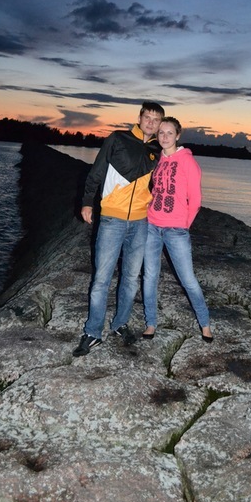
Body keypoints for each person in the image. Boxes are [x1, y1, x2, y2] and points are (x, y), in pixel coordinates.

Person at [72, 101, 165, 357]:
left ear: (160, 124)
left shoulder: (158, 149)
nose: (151, 123)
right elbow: (97, 170)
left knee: (130, 279)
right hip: (112, 218)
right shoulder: (118, 139)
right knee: (101, 279)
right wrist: (87, 202)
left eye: (156, 120)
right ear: (140, 118)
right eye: (147, 117)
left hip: (140, 221)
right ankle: (93, 332)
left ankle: (120, 324)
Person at [142, 116, 213, 342]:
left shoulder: (187, 161)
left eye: (169, 133)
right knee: (149, 276)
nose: (164, 137)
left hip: (176, 230)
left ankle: (205, 324)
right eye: (161, 133)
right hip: (152, 226)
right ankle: (150, 323)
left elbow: (196, 200)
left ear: (178, 135)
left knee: (188, 279)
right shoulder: (157, 160)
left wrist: (183, 225)